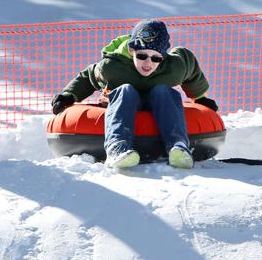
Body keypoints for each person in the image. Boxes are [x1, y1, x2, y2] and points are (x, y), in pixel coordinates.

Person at [49, 19, 218, 170]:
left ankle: (179, 146)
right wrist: (69, 95)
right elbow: (88, 76)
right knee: (125, 90)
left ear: (163, 57)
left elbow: (192, 70)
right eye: (142, 55)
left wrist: (200, 97)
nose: (148, 63)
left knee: (163, 91)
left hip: (158, 102)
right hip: (126, 102)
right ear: (131, 50)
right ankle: (117, 147)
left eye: (155, 58)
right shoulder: (113, 67)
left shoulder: (174, 68)